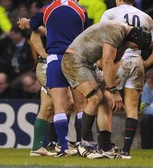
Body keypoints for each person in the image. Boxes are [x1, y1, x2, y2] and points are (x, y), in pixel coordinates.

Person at [18, 0, 88, 157]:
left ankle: (63, 147)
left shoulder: (47, 10)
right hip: (75, 59)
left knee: (59, 106)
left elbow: (32, 26)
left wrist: (25, 23)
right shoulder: (81, 11)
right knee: (81, 105)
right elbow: (84, 35)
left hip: (55, 59)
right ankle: (83, 144)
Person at [61, 21, 152, 159]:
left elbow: (114, 63)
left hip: (87, 64)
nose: (134, 49)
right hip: (74, 60)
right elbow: (107, 62)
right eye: (135, 47)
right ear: (135, 39)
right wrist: (114, 90)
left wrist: (110, 89)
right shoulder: (116, 31)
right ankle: (84, 144)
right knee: (95, 96)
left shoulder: (124, 40)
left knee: (106, 99)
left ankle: (105, 146)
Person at [100, 0, 153, 159]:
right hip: (137, 61)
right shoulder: (146, 17)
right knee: (131, 108)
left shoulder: (110, 14)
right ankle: (126, 151)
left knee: (105, 101)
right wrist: (145, 63)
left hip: (117, 61)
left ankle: (104, 146)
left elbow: (102, 42)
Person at [140, 69, 153, 149]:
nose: (150, 85)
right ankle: (147, 147)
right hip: (151, 114)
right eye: (148, 83)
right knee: (145, 120)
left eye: (151, 83)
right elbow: (144, 107)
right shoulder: (146, 87)